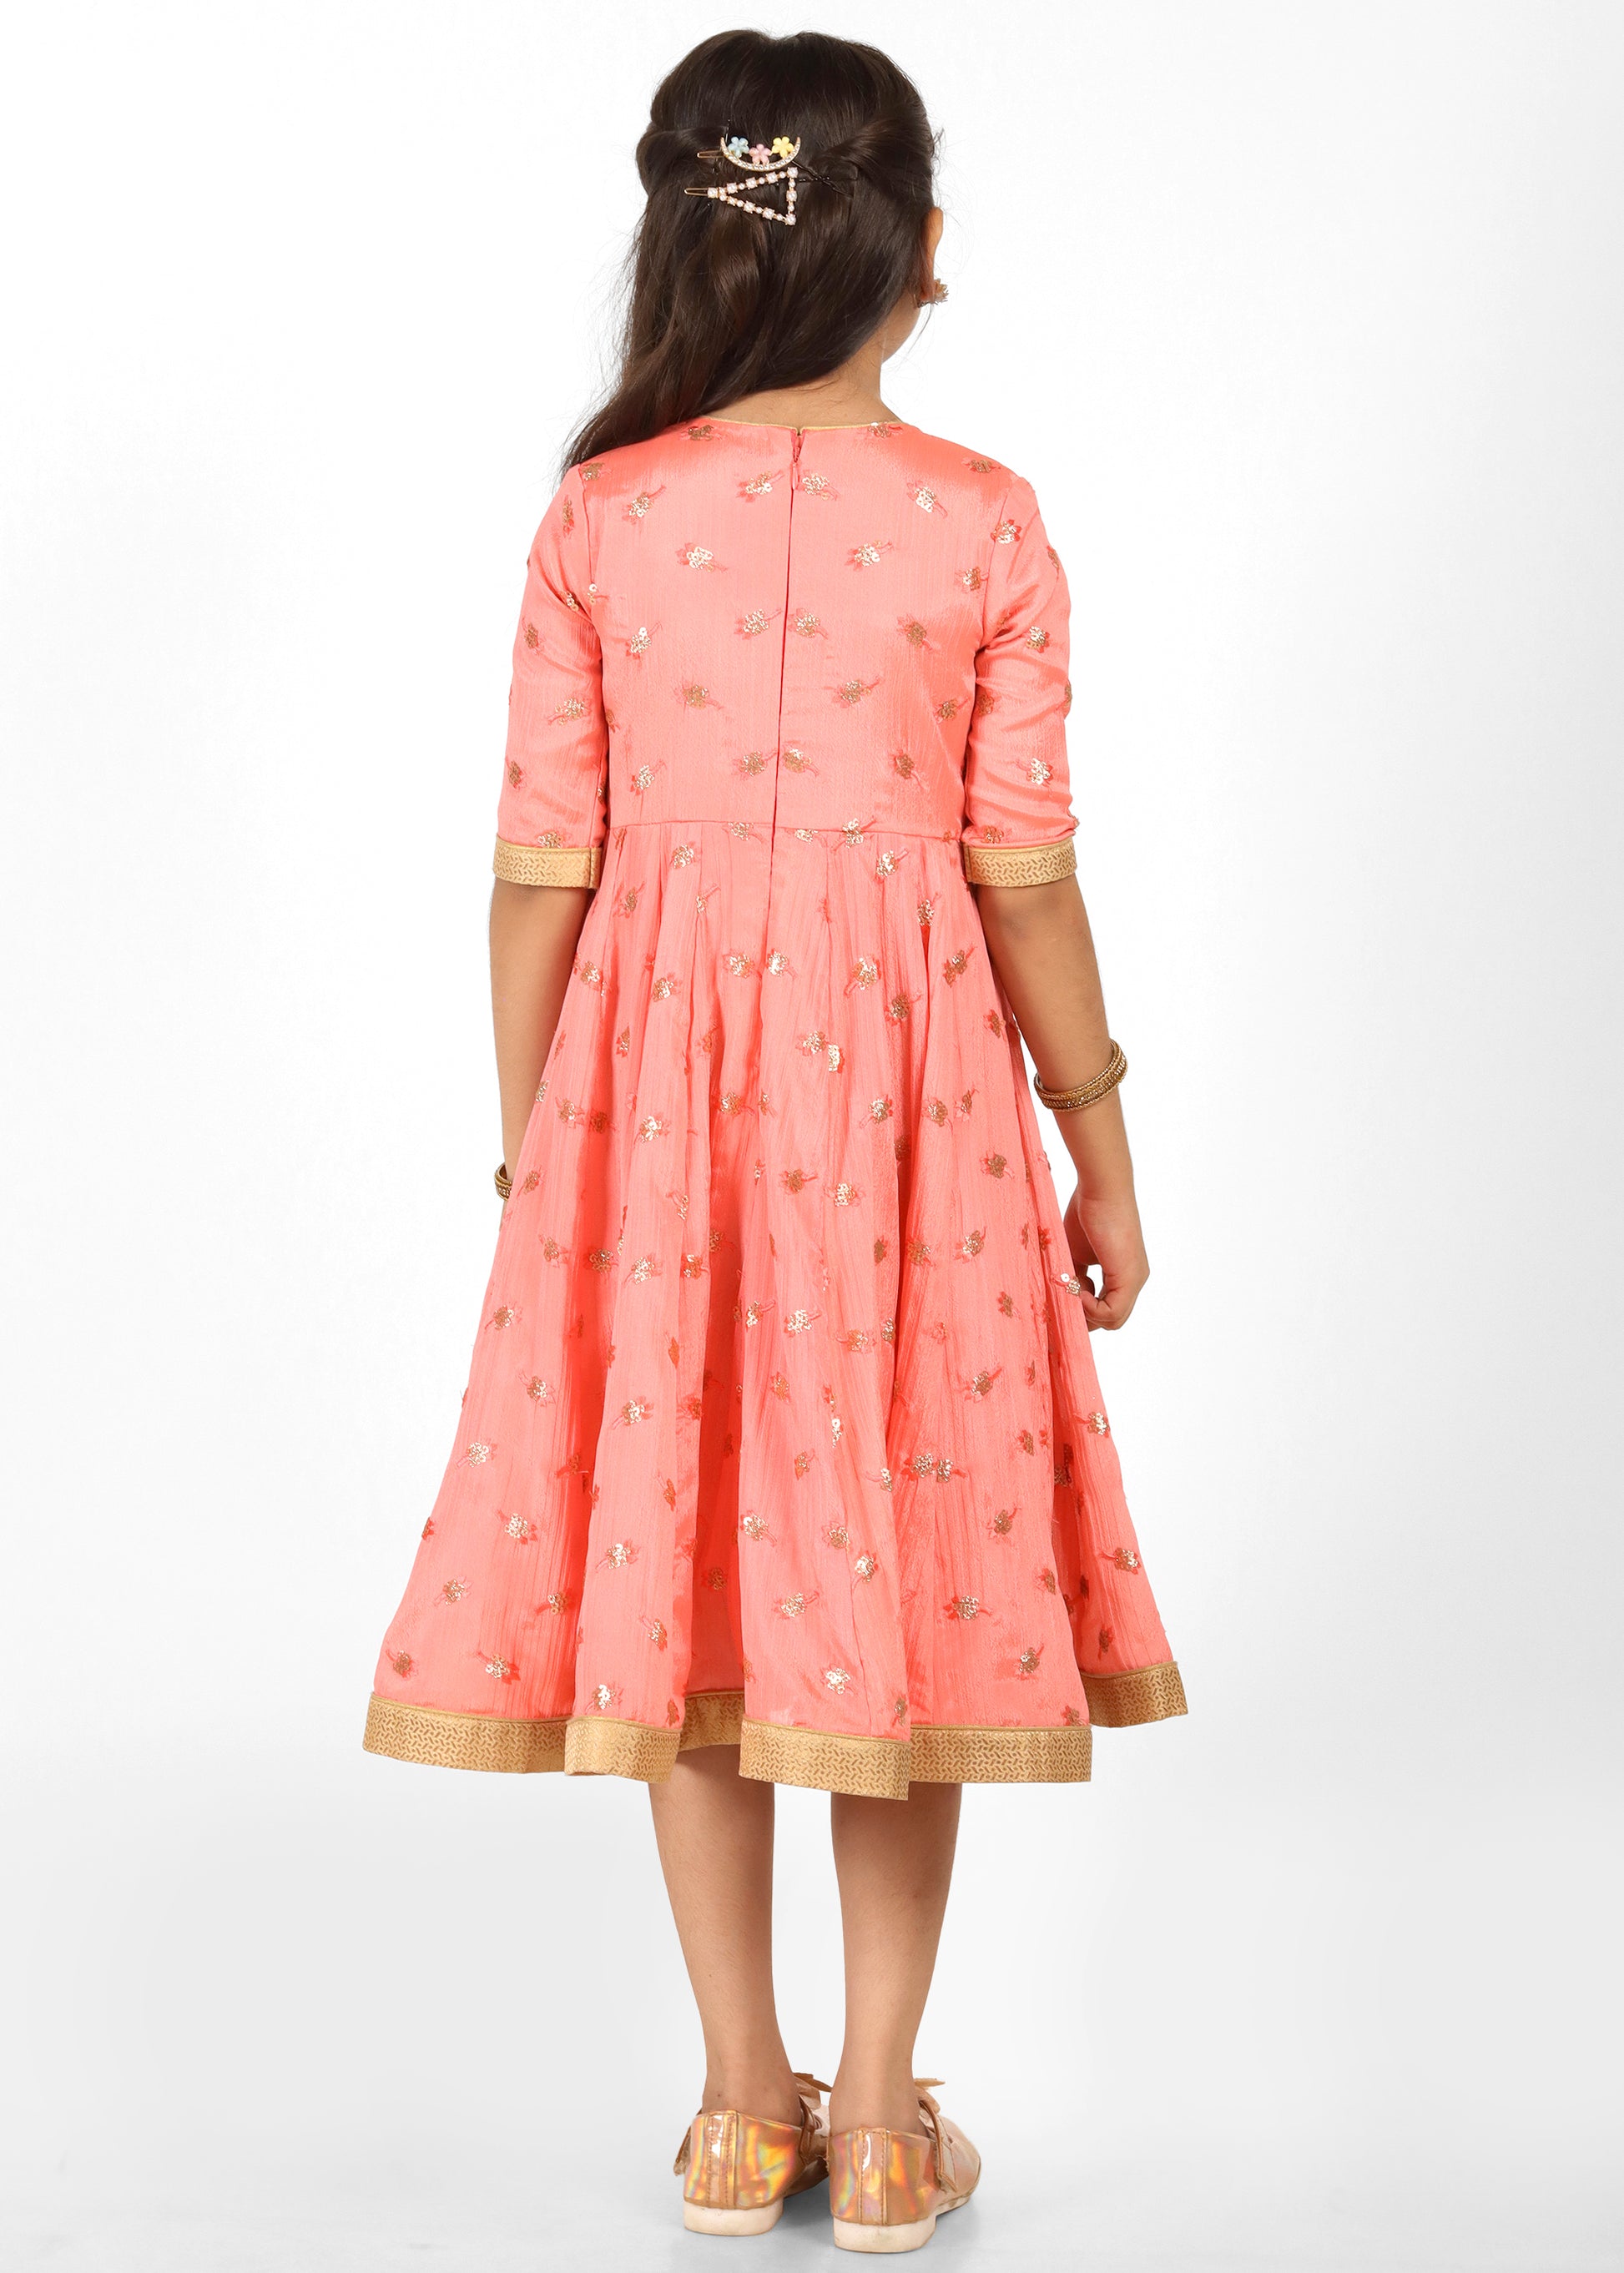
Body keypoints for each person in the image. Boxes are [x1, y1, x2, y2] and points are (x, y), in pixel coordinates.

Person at [363, 27, 1185, 2254]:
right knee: (902, 1572)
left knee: (703, 1566)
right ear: (917, 251)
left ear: (693, 251)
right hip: (913, 1102)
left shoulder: (600, 515)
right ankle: (891, 2111)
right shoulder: (986, 522)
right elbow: (1023, 869)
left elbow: (541, 864)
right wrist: (1097, 1128)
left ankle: (743, 2105)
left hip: (658, 1103)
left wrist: (542, 1144)